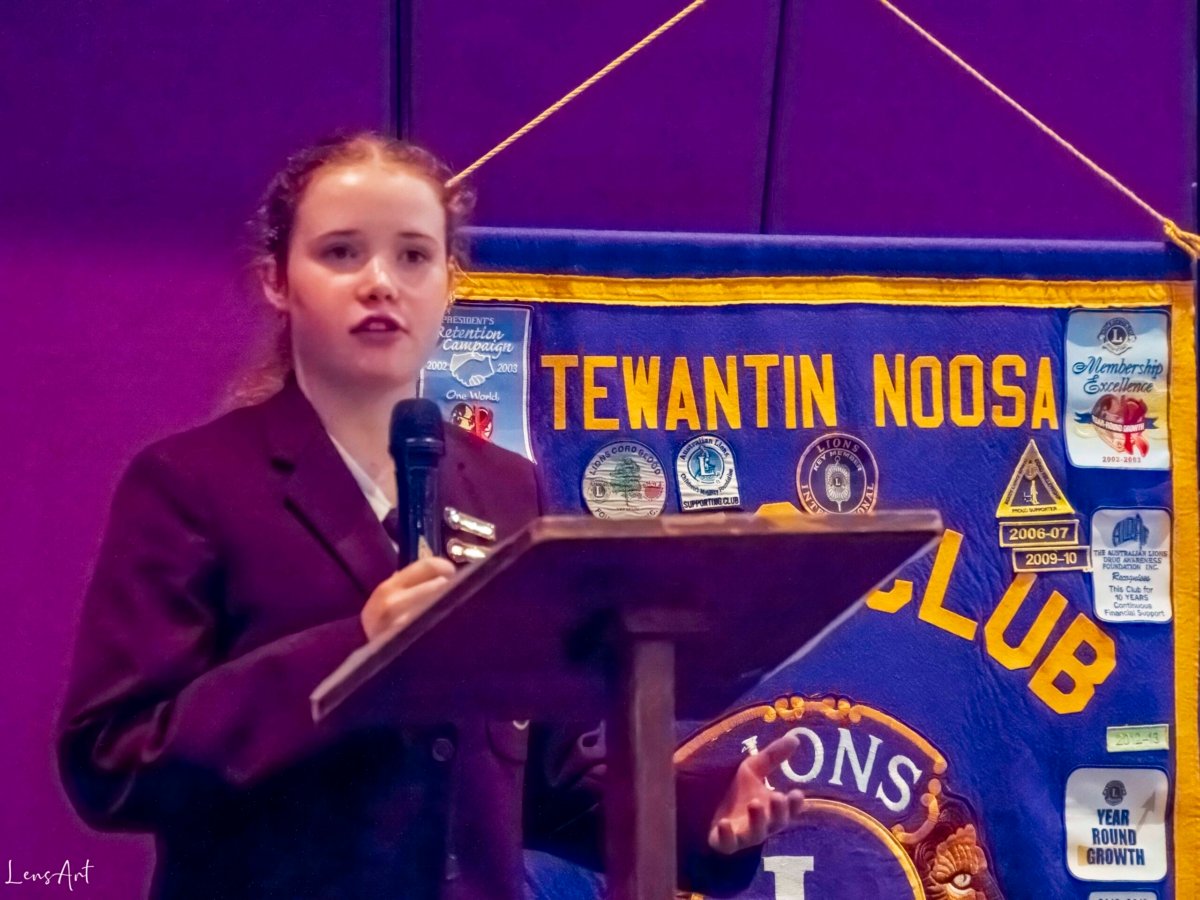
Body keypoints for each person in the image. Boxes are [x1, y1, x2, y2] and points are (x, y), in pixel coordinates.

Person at [57, 133, 805, 899]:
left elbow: (544, 780)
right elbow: (112, 761)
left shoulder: (504, 488)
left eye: (413, 256)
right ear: (277, 281)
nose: (380, 283)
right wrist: (355, 654)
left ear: (450, 284)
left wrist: (702, 814)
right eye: (341, 252)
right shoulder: (190, 483)